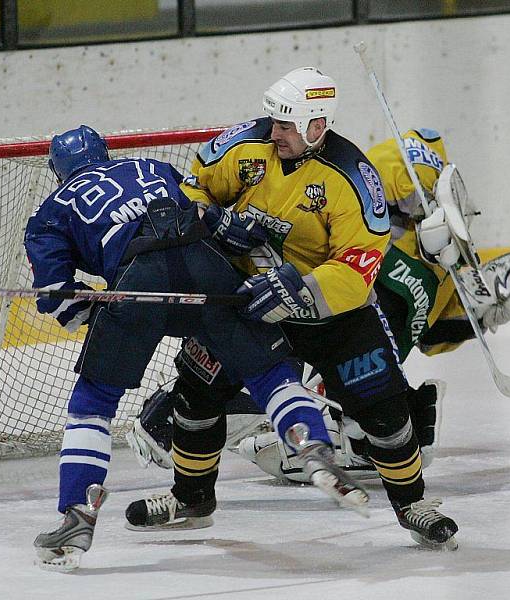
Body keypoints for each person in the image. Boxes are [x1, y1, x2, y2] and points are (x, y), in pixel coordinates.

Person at [124, 67, 460, 551]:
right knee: (196, 395)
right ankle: (191, 500)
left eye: (286, 126)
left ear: (317, 126)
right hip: (248, 305)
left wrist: (298, 289)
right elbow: (191, 191)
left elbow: (356, 269)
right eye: (274, 122)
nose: (274, 131)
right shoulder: (245, 146)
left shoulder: (353, 179)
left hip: (332, 317)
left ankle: (413, 506)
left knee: (385, 410)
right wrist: (216, 224)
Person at [129, 128, 510, 486]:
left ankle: (334, 432)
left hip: (345, 341)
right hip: (302, 292)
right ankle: (180, 412)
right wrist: (430, 201)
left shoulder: (446, 280)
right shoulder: (389, 189)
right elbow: (392, 166)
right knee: (258, 359)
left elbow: (433, 337)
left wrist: (491, 309)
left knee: (405, 432)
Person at [27, 125, 364, 571]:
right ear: (106, 153)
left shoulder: (50, 212)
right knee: (270, 371)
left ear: (57, 171)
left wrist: (96, 310)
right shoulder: (150, 167)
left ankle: (77, 512)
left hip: (138, 280)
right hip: (205, 268)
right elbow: (209, 218)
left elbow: (59, 299)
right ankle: (312, 446)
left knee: (93, 402)